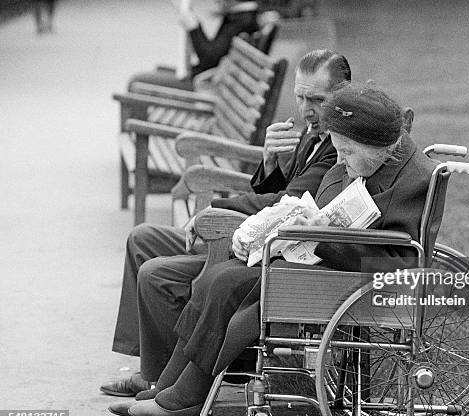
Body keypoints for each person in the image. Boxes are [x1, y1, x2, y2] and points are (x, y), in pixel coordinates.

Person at [109, 82, 439, 416]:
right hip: (323, 260)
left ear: (374, 147)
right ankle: (171, 387)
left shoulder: (408, 182)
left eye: (347, 152)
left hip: (347, 278)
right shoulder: (374, 162)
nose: (340, 160)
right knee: (218, 276)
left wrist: (321, 235)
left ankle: (185, 396)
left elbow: (401, 260)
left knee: (224, 282)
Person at [101, 49, 352, 398]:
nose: (306, 108)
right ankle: (149, 365)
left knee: (157, 272)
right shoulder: (312, 132)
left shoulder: (338, 149)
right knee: (142, 238)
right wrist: (268, 160)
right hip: (249, 231)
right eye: (299, 96)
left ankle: (157, 377)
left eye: (317, 99)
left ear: (341, 94)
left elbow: (285, 205)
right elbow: (278, 191)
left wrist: (214, 208)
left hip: (251, 241)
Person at [128, 0, 261, 91]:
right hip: (213, 84)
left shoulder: (241, 21)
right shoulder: (245, 17)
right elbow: (214, 55)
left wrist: (194, 28)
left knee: (137, 81)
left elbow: (209, 60)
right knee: (154, 73)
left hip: (205, 87)